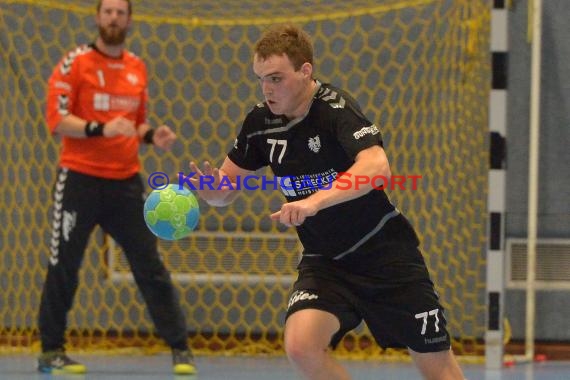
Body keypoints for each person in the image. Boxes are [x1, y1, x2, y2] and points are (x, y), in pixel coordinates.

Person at [189, 24, 465, 380]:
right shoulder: (260, 122)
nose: (267, 89)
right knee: (301, 346)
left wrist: (315, 202)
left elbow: (377, 167)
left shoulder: (336, 109)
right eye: (261, 79)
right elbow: (226, 189)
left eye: (276, 78)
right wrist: (213, 190)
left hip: (384, 256)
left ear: (306, 71)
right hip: (326, 262)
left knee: (438, 367)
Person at [37, 0, 196, 375]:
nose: (113, 18)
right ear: (97, 18)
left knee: (150, 264)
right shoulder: (73, 63)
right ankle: (51, 351)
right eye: (107, 11)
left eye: (120, 12)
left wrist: (152, 135)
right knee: (64, 264)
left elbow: (134, 124)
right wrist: (100, 128)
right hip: (79, 179)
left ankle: (180, 349)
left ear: (129, 20)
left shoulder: (137, 67)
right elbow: (58, 120)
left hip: (125, 183)